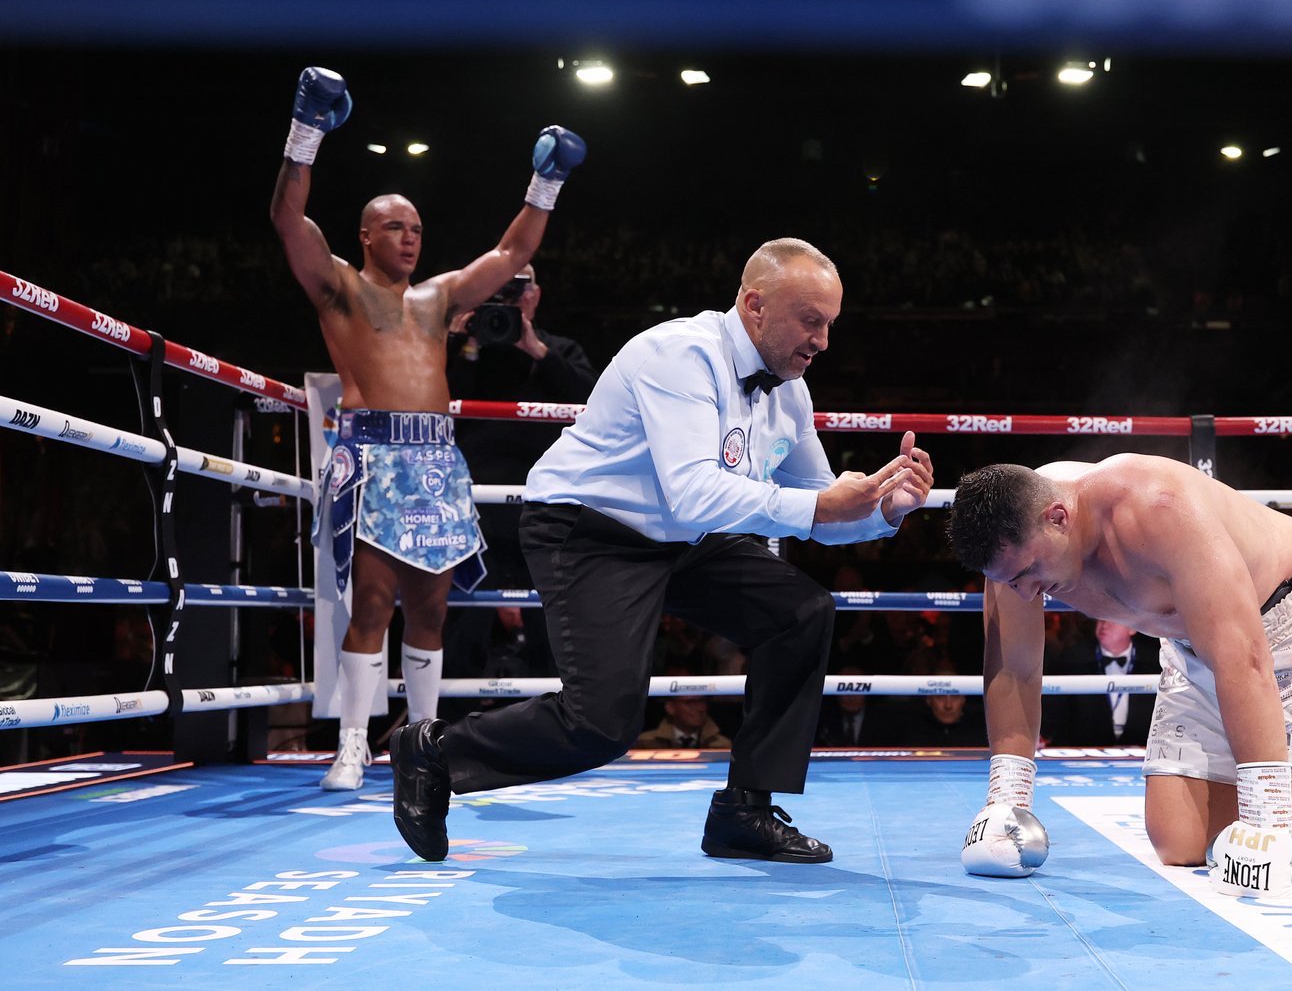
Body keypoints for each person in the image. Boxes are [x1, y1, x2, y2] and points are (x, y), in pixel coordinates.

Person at [391, 236, 935, 864]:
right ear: (755, 306)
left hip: (680, 537)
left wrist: (886, 510)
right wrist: (822, 506)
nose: (822, 341)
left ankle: (745, 811)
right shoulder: (679, 356)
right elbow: (698, 494)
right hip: (589, 529)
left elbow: (818, 507)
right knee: (600, 723)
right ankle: (433, 751)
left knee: (800, 611)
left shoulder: (789, 389)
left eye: (830, 325)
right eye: (811, 321)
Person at [269, 65, 585, 790]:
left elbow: (512, 255)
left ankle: (421, 742)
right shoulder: (339, 288)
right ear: (364, 234)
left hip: (436, 460)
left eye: (416, 228)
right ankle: (352, 743)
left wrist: (547, 184)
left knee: (432, 606)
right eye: (393, 227)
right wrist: (306, 129)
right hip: (374, 451)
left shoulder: (439, 299)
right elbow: (288, 219)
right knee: (372, 601)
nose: (409, 238)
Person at [945, 456, 1292, 895]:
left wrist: (1266, 816)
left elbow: (1243, 657)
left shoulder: (1157, 508)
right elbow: (1015, 668)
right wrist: (1006, 799)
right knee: (1179, 842)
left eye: (1028, 573)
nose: (1024, 593)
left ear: (1059, 517)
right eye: (1010, 581)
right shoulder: (1011, 545)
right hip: (1196, 648)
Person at [441, 266, 598, 697]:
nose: (510, 295)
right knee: (464, 624)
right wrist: (459, 339)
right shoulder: (463, 348)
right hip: (473, 510)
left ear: (536, 294)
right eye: (501, 287)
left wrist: (536, 349)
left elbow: (594, 402)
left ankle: (558, 733)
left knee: (552, 626)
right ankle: (447, 738)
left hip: (545, 509)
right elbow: (430, 398)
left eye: (519, 285)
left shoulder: (559, 349)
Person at [1042, 619, 1160, 747]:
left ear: (1132, 628)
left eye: (1112, 619)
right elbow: (1056, 708)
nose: (1104, 625)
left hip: (1143, 750)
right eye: (1101, 618)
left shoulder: (1155, 661)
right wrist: (1044, 735)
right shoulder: (1073, 658)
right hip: (1085, 749)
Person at [635, 694, 734, 749]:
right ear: (670, 707)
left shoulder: (722, 744)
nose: (700, 708)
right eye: (689, 702)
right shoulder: (644, 742)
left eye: (702, 701)